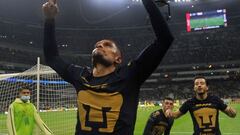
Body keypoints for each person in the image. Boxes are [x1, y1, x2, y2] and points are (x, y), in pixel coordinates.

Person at [42, 0, 174, 134]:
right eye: (98, 45)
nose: (100, 45)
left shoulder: (130, 75)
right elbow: (52, 58)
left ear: (118, 59)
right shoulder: (80, 75)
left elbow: (165, 39)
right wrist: (49, 19)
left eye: (108, 45)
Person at [166, 76, 237, 135]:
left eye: (202, 83)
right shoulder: (189, 102)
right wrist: (169, 110)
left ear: (207, 87)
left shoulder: (215, 100)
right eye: (196, 84)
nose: (199, 85)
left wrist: (232, 111)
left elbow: (232, 114)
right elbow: (175, 115)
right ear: (194, 88)